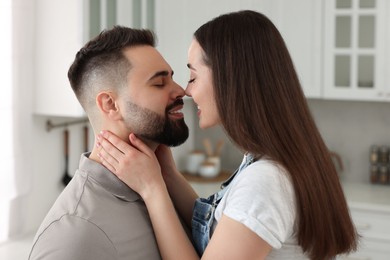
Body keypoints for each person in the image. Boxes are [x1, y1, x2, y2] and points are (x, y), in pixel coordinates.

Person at [96, 10, 358, 260]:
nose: (186, 91)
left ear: (228, 79)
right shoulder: (267, 161)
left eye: (193, 76)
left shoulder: (265, 182)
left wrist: (152, 190)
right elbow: (219, 226)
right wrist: (167, 176)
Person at [28, 26, 189, 260]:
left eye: (172, 78)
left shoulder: (165, 185)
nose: (181, 90)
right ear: (111, 105)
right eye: (159, 83)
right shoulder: (76, 235)